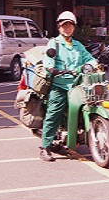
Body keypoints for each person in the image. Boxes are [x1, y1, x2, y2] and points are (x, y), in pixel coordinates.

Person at [39, 11, 98, 162]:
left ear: (74, 27)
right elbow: (48, 60)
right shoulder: (54, 43)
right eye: (64, 25)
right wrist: (52, 69)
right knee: (54, 113)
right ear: (59, 27)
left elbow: (89, 59)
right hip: (60, 85)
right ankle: (45, 147)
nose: (67, 28)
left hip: (77, 84)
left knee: (90, 103)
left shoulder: (78, 45)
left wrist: (92, 65)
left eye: (70, 25)